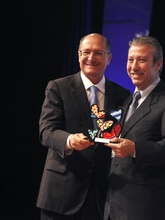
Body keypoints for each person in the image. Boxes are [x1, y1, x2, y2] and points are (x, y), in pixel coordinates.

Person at [36, 33, 131, 220]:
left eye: (98, 53)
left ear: (109, 58)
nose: (91, 58)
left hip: (101, 194)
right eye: (86, 52)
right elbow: (46, 131)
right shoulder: (58, 87)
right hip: (61, 192)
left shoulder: (122, 94)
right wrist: (69, 140)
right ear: (79, 55)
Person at [103, 36, 165, 220]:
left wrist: (135, 148)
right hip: (112, 205)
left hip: (146, 207)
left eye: (141, 60)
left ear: (158, 64)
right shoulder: (126, 101)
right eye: (130, 60)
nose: (134, 66)